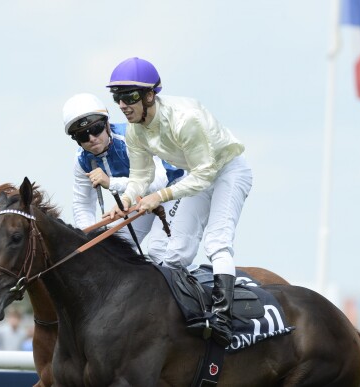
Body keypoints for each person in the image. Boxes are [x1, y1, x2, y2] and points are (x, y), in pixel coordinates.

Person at [105, 57, 253, 347]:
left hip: (228, 170)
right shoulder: (135, 130)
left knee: (217, 242)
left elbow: (204, 173)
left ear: (150, 95)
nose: (122, 105)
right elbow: (141, 175)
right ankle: (174, 316)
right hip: (199, 174)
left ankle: (223, 320)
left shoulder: (185, 120)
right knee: (176, 253)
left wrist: (158, 197)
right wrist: (124, 201)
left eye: (129, 97)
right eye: (117, 98)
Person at [62, 92, 184, 256]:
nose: (91, 138)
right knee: (111, 250)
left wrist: (111, 182)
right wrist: (89, 242)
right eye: (83, 135)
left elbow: (158, 182)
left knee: (158, 250)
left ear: (106, 124)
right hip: (142, 200)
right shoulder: (82, 161)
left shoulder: (132, 137)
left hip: (173, 189)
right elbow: (82, 204)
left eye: (96, 129)